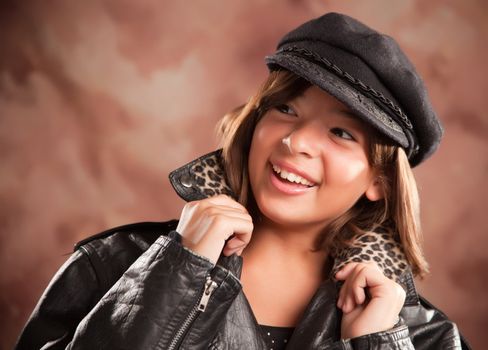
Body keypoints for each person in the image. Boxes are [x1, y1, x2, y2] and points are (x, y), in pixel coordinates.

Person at [15, 12, 470, 350]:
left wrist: (376, 344)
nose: (295, 142)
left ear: (381, 183)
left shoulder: (422, 333)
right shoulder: (109, 266)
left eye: (341, 132)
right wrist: (174, 276)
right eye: (286, 108)